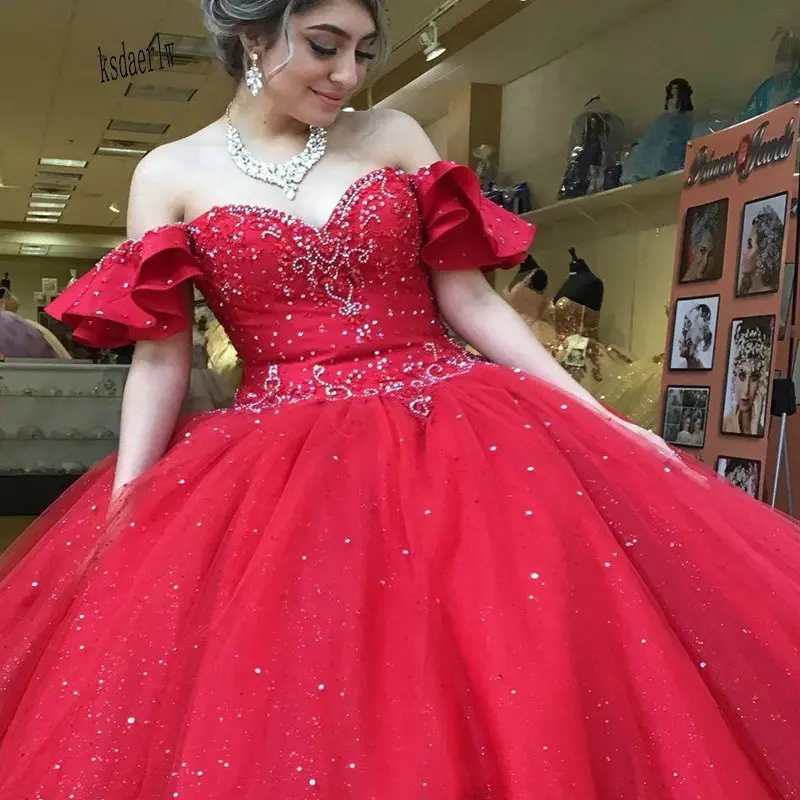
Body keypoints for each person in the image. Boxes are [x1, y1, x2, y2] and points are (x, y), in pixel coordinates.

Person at [1, 1, 799, 798]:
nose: (348, 75)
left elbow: (472, 301)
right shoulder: (169, 174)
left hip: (456, 432)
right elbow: (160, 361)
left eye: (363, 51)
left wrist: (599, 418)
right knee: (315, 692)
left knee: (520, 655)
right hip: (286, 471)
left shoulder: (393, 134)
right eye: (325, 47)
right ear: (252, 36)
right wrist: (127, 506)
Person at [738, 204, 785, 295]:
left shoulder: (769, 295)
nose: (744, 252)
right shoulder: (744, 290)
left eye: (749, 246)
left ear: (763, 254)